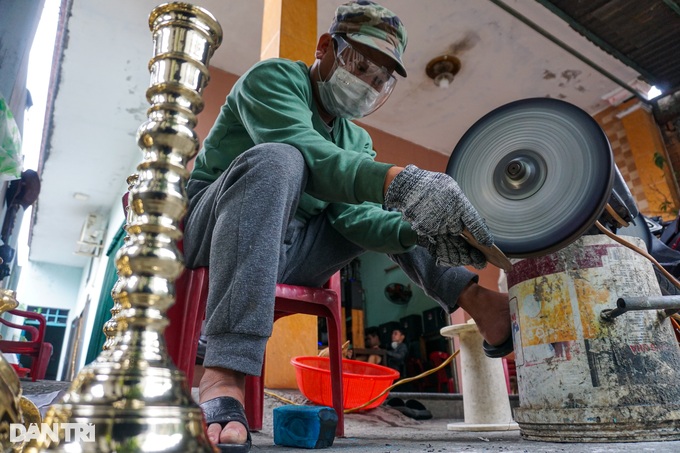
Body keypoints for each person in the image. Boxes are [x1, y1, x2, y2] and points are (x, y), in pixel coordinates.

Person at [183, 1, 511, 451]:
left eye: (380, 80)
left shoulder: (356, 138)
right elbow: (307, 154)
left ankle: (477, 301)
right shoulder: (274, 80)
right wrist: (398, 181)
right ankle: (223, 371)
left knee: (402, 211)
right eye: (360, 64)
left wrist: (420, 226)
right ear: (325, 49)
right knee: (280, 159)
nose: (367, 84)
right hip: (213, 228)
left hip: (290, 250)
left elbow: (355, 219)